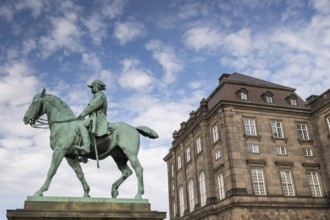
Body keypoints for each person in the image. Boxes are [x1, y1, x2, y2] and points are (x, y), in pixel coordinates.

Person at [75, 79, 108, 155]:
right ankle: (83, 155)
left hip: (98, 118)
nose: (91, 89)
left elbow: (92, 107)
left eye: (92, 87)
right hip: (93, 117)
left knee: (81, 125)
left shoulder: (100, 95)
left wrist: (82, 115)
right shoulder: (96, 96)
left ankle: (86, 147)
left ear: (97, 87)